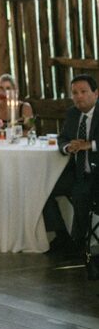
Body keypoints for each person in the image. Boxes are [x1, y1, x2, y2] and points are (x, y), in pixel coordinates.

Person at [44, 74, 99, 255]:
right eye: (75, 92)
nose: (79, 96)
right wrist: (68, 147)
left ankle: (79, 243)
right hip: (77, 173)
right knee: (45, 189)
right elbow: (62, 138)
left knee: (81, 193)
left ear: (96, 93)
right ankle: (62, 236)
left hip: (95, 174)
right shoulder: (73, 114)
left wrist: (89, 145)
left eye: (83, 92)